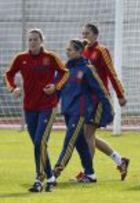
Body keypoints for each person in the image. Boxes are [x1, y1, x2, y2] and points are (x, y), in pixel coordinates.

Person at [4, 28, 69, 192]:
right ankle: (51, 177)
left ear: (41, 41)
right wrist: (13, 89)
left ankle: (39, 180)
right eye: (30, 40)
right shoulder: (21, 58)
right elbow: (8, 74)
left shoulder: (50, 57)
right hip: (29, 107)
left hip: (48, 106)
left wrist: (55, 87)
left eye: (35, 39)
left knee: (40, 141)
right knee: (38, 144)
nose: (32, 42)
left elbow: (65, 73)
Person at [53, 39, 114, 184]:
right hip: (67, 111)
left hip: (80, 112)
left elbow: (101, 91)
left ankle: (54, 173)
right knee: (80, 143)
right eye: (67, 49)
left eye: (70, 49)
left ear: (79, 51)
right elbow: (57, 88)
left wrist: (108, 109)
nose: (67, 52)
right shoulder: (65, 69)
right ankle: (90, 174)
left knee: (69, 141)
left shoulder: (87, 69)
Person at [79, 23, 129, 181]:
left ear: (95, 34)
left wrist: (120, 94)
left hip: (99, 99)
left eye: (87, 33)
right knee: (89, 135)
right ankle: (120, 161)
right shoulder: (83, 51)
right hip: (86, 99)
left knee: (87, 134)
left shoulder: (101, 51)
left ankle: (88, 173)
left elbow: (111, 73)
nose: (84, 36)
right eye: (83, 33)